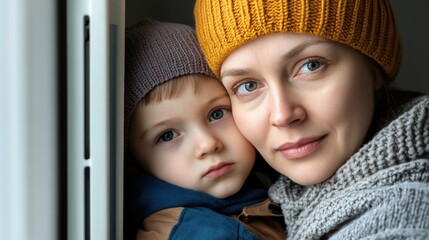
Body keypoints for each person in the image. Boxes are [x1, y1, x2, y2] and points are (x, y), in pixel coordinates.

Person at [194, 0, 429, 239]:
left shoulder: (404, 218)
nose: (282, 115)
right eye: (248, 86)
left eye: (311, 66)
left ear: (373, 69)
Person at [123, 19, 285, 240]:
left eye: (217, 114)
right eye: (167, 135)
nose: (207, 144)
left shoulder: (269, 185)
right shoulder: (192, 233)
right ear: (133, 160)